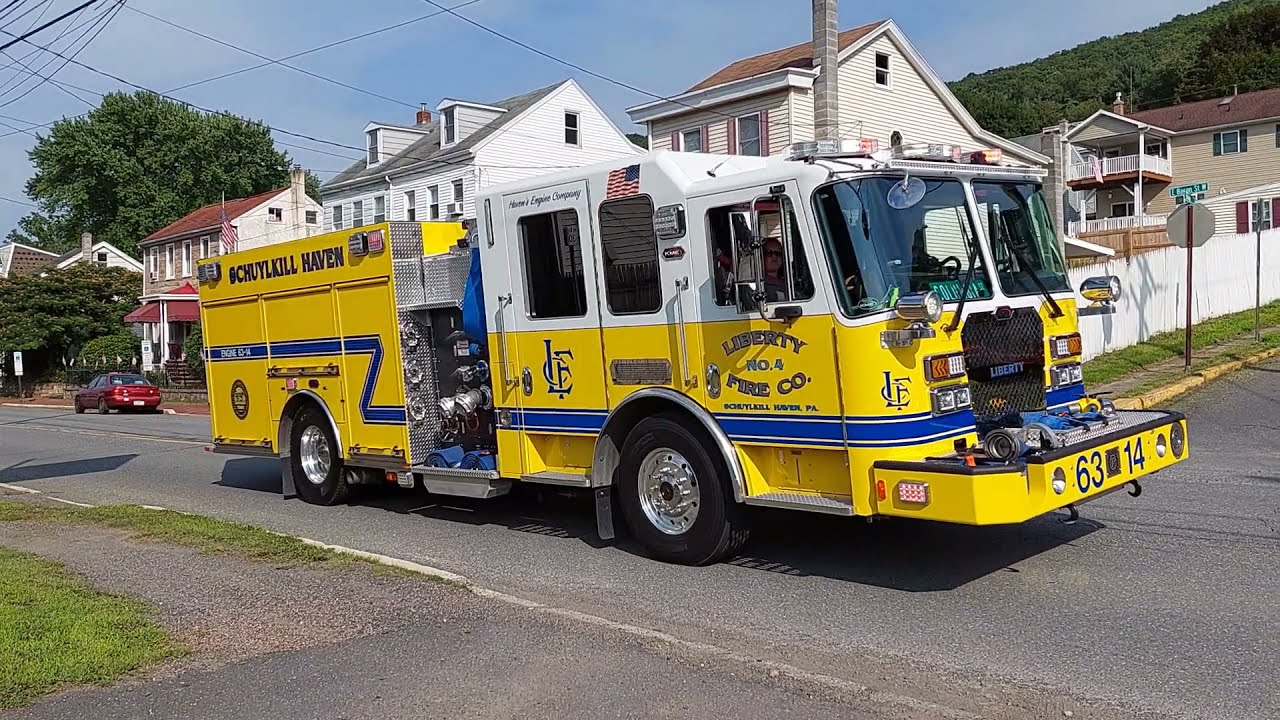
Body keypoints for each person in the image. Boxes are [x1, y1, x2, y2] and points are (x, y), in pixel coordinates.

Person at [761, 237, 788, 302]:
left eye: (778, 253)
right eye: (769, 253)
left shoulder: (788, 283)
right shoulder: (760, 286)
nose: (774, 257)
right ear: (761, 256)